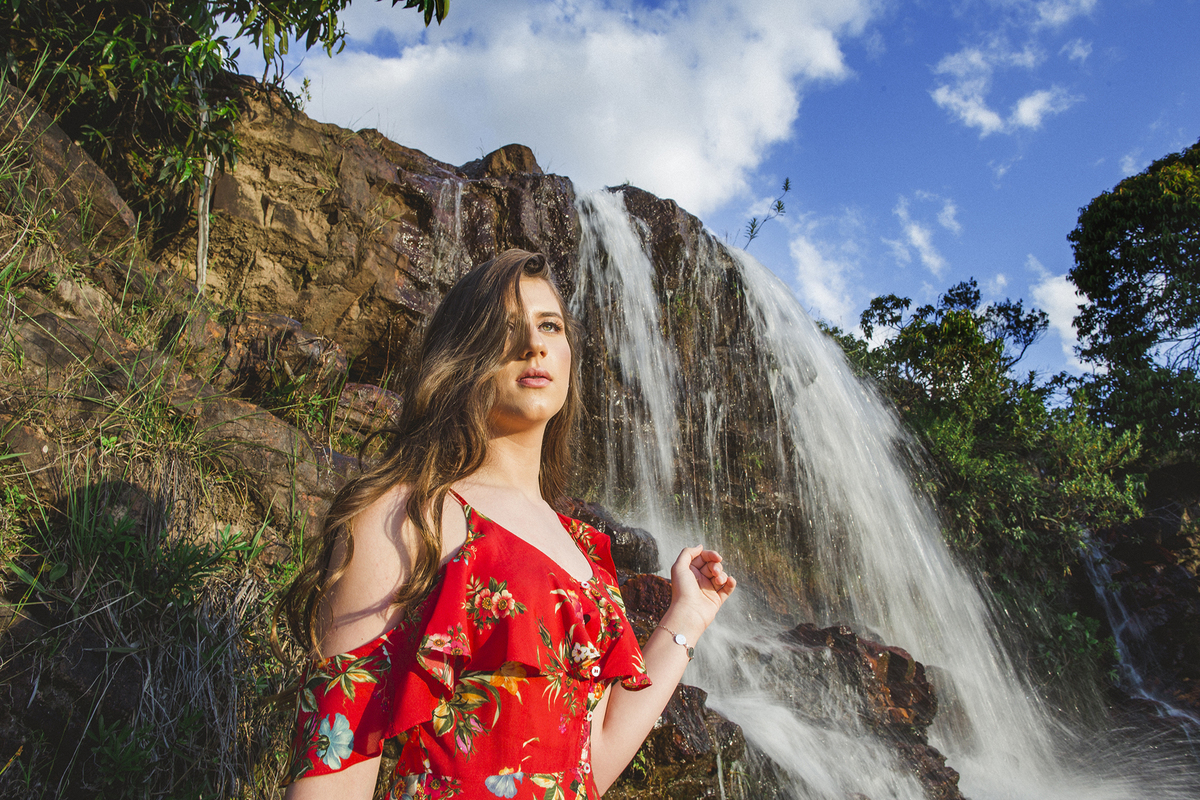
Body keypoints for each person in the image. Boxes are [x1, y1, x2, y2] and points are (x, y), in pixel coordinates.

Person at [276, 249, 735, 799]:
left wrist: (688, 615)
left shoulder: (583, 550)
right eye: (506, 327)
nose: (534, 344)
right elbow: (336, 759)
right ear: (462, 352)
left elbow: (592, 759)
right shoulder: (410, 514)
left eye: (550, 326)